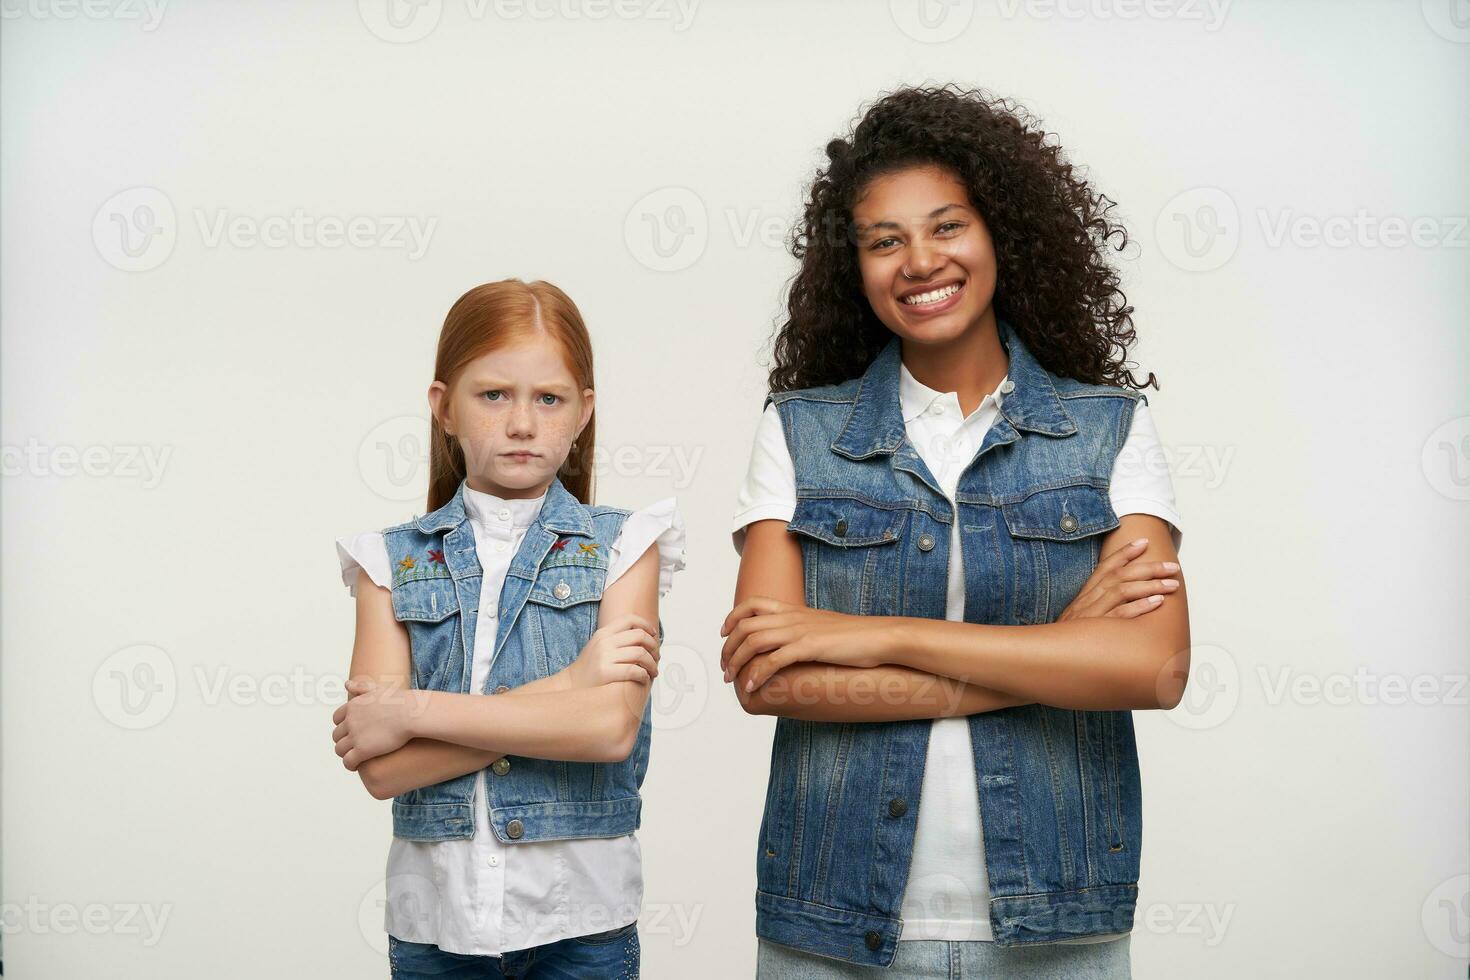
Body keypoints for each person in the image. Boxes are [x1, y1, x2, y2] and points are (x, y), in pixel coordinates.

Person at [722, 84, 1190, 978]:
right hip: (831, 920)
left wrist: (869, 636)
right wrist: (1059, 653)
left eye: (947, 226)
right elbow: (769, 679)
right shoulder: (800, 431)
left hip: (1057, 922)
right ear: (851, 267)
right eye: (883, 240)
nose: (918, 260)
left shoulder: (1108, 430)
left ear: (999, 235)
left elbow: (1153, 667)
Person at [331, 278, 685, 979]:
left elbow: (606, 731)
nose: (522, 422)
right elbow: (382, 767)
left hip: (581, 922)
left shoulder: (625, 548)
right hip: (434, 924)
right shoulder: (388, 562)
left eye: (548, 399)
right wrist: (570, 684)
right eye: (493, 395)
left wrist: (412, 711)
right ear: (444, 408)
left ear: (582, 413)